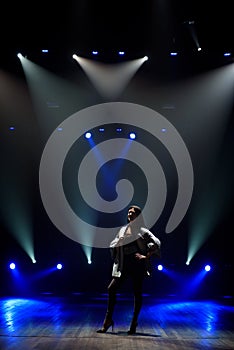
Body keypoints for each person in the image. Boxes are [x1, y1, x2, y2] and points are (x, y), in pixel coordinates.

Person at [97, 205, 161, 334]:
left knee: (137, 292)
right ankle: (108, 319)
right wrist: (117, 244)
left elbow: (156, 242)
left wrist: (146, 256)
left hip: (137, 263)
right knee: (112, 288)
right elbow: (113, 244)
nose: (130, 213)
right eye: (129, 211)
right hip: (124, 264)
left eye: (133, 212)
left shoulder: (142, 230)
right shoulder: (122, 230)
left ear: (138, 216)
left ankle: (134, 322)